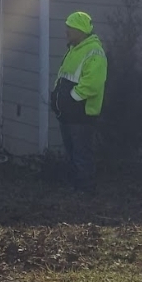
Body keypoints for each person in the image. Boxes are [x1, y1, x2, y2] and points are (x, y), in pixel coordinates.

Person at [52, 11, 107, 195]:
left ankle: (85, 190)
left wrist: (71, 99)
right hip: (69, 114)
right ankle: (75, 187)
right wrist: (56, 97)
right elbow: (63, 76)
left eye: (70, 28)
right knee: (72, 152)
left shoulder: (94, 52)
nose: (66, 31)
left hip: (82, 114)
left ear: (81, 30)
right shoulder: (73, 50)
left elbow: (93, 83)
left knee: (82, 153)